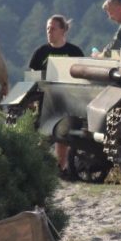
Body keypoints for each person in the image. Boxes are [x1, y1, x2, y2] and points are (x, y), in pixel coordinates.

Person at [28, 15, 83, 178]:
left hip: (68, 99)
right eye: (47, 28)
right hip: (45, 100)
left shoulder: (74, 52)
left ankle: (61, 167)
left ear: (63, 30)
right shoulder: (40, 52)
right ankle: (39, 167)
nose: (49, 32)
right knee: (43, 134)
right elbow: (32, 76)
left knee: (63, 135)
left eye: (52, 28)